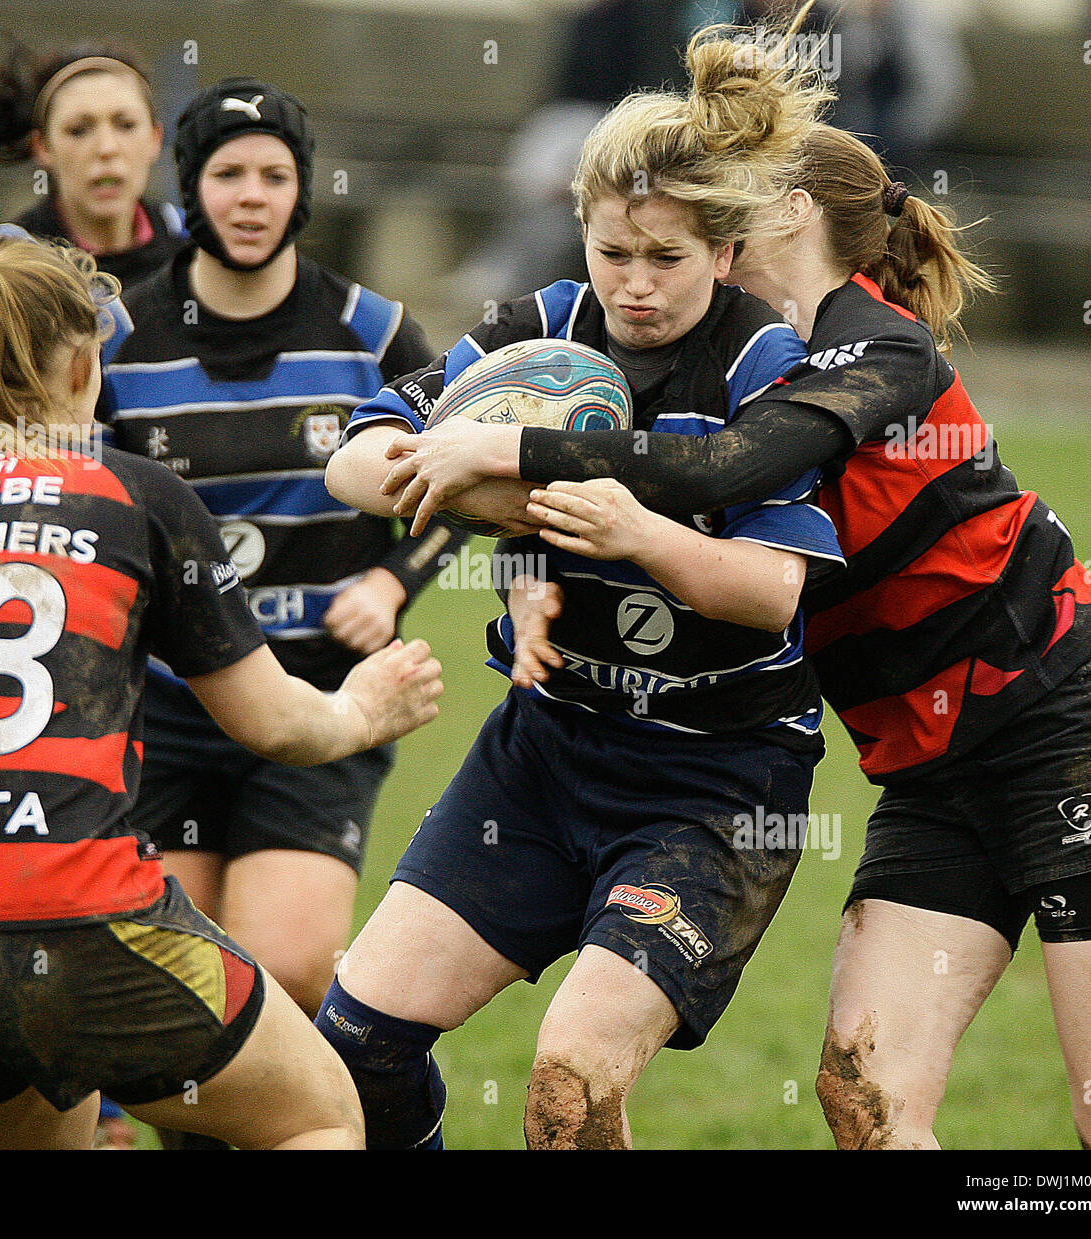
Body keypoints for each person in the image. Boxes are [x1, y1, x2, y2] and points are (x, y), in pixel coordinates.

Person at [382, 121, 1091, 1149]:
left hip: (1063, 729)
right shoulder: (727, 353)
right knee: (863, 1099)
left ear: (788, 212)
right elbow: (634, 520)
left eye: (729, 206)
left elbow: (718, 474)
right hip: (925, 771)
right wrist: (522, 563)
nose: (702, 232)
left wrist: (508, 445)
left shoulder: (877, 344)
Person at [318, 18, 845, 1150]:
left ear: (720, 252)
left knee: (567, 1084)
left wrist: (621, 528)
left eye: (666, 259)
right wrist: (505, 513)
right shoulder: (536, 335)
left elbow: (767, 594)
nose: (637, 285)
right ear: (580, 231)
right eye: (615, 253)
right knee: (352, 1047)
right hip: (545, 752)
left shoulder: (764, 367)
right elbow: (356, 456)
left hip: (712, 784)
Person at [0, 232, 443, 1150]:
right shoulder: (132, 495)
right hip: (73, 917)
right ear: (85, 361)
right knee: (317, 1115)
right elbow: (275, 722)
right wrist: (368, 708)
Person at [100, 77, 466, 1078]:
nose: (252, 195)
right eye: (228, 174)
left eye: (275, 174)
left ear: (302, 193)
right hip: (171, 704)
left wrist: (392, 583)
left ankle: (309, 1112)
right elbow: (87, 513)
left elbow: (456, 485)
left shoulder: (376, 334)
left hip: (323, 693)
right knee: (172, 980)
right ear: (192, 188)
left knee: (291, 964)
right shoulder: (119, 341)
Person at [0, 41, 185, 457]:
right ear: (43, 146)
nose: (106, 148)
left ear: (156, 139)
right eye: (78, 129)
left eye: (125, 124)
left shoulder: (197, 249)